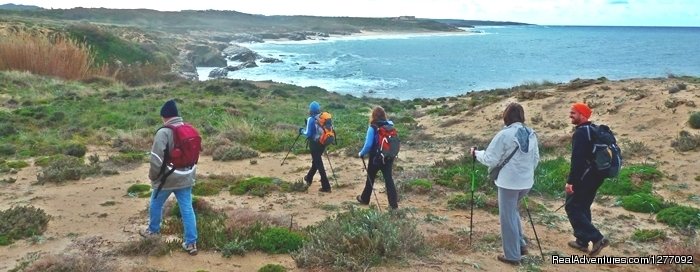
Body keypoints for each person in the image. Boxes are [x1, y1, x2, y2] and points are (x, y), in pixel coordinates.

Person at [469, 102, 539, 265]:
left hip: (509, 183)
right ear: (521, 116)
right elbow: (535, 159)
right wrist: (525, 173)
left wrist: (476, 153)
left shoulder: (504, 135)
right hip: (526, 182)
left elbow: (490, 159)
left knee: (507, 217)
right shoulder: (531, 133)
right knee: (512, 211)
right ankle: (520, 245)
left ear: (506, 116)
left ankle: (513, 255)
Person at [141, 99, 198, 256]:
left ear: (164, 116)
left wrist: (153, 177)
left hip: (166, 179)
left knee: (155, 203)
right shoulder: (189, 129)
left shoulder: (163, 132)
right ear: (176, 115)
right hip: (186, 176)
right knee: (187, 208)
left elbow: (156, 159)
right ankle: (191, 243)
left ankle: (153, 232)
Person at [564, 102, 609, 256]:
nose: (570, 115)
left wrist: (571, 182)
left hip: (585, 177)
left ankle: (597, 238)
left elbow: (577, 160)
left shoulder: (581, 133)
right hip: (597, 176)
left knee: (572, 207)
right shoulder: (594, 129)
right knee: (583, 206)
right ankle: (582, 241)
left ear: (583, 115)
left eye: (573, 113)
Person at [356, 106, 398, 209]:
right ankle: (393, 205)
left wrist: (361, 153)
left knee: (370, 178)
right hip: (388, 156)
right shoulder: (390, 125)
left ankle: (365, 199)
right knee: (389, 180)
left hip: (376, 157)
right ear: (384, 115)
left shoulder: (372, 127)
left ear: (373, 115)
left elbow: (368, 145)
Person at [300, 101, 331, 192]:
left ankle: (326, 186)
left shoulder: (311, 119)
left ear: (311, 110)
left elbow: (308, 134)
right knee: (316, 162)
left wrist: (302, 131)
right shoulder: (323, 118)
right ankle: (309, 178)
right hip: (322, 143)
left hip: (314, 144)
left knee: (318, 163)